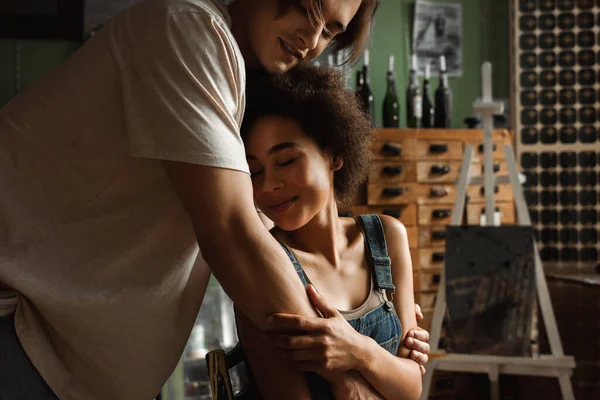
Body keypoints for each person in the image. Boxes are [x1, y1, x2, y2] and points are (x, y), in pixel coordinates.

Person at [0, 0, 429, 398]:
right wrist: (351, 377)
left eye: (331, 31)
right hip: (23, 328)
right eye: (305, 6)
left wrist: (375, 336)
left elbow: (261, 238)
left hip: (74, 367)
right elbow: (236, 235)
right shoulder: (190, 30)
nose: (312, 39)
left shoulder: (243, 84)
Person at [236, 66, 423, 399]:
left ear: (335, 154)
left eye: (287, 160)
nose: (269, 185)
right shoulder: (262, 267)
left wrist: (358, 350)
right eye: (255, 171)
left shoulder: (387, 236)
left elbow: (412, 387)